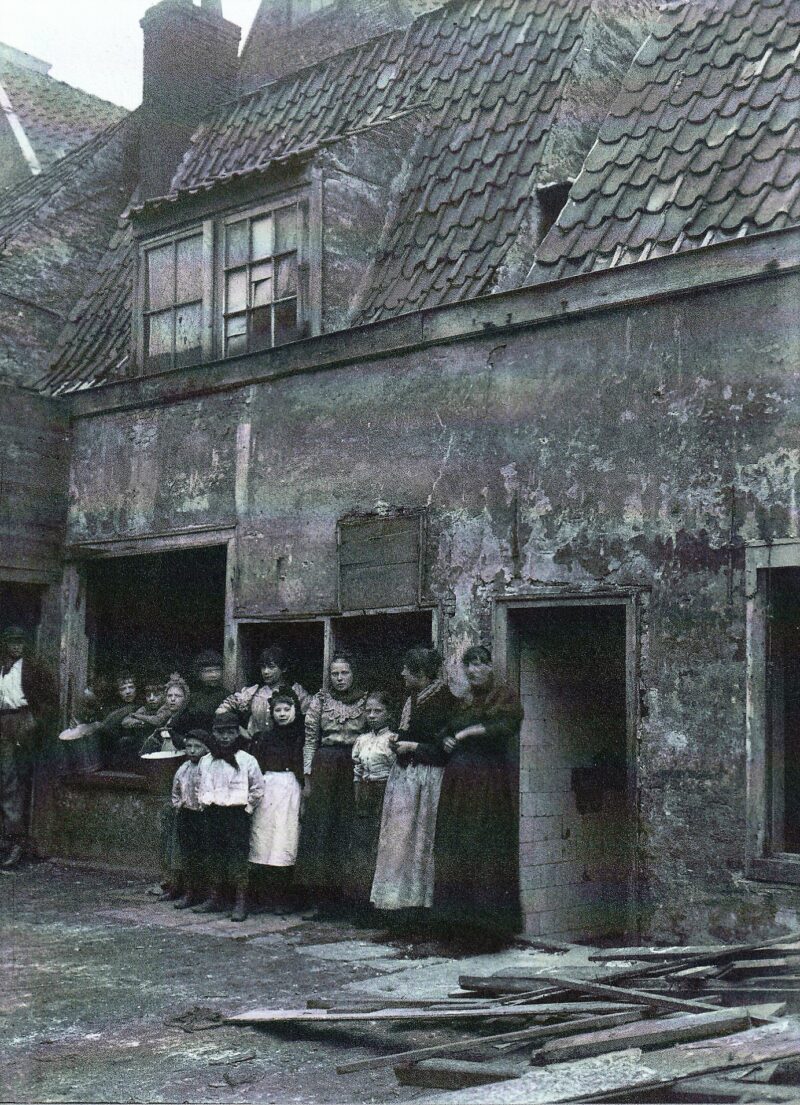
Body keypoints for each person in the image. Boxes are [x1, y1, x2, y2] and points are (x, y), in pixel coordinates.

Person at [433, 645, 523, 946]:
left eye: (480, 664)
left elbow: (506, 726)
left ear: (490, 667)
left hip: (487, 782)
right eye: (469, 665)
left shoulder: (504, 697)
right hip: (458, 782)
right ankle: (458, 927)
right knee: (456, 846)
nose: (474, 670)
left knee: (484, 849)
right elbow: (443, 729)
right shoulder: (463, 701)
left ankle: (489, 930)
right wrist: (446, 738)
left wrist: (466, 734)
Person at [370, 648, 458, 921]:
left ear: (421, 672)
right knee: (399, 843)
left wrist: (412, 746)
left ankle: (423, 913)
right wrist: (400, 741)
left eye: (408, 669)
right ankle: (401, 910)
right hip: (406, 779)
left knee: (422, 843)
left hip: (428, 780)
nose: (403, 673)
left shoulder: (446, 701)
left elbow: (446, 750)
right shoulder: (411, 699)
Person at [296, 652, 366, 914]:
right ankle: (320, 900)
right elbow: (310, 740)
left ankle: (348, 899)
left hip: (354, 765)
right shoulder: (320, 701)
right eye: (334, 674)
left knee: (348, 829)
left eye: (344, 673)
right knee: (320, 829)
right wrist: (308, 778)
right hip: (325, 766)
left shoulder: (366, 700)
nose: (339, 678)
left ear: (353, 673)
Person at [195, 711, 263, 922]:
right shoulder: (206, 760)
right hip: (213, 812)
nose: (225, 737)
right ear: (213, 733)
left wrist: (248, 809)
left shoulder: (247, 760)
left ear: (237, 734)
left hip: (236, 813)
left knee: (238, 857)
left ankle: (240, 902)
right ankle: (215, 898)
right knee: (213, 854)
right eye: (220, 733)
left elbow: (258, 788)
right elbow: (200, 783)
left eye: (230, 733)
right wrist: (203, 803)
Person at [0, 626, 57, 869]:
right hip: (2, 720)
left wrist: (35, 720)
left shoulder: (33, 667)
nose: (16, 646)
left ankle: (17, 842)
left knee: (15, 781)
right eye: (12, 642)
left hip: (24, 722)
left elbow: (50, 698)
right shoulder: (2, 667)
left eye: (20, 642)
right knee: (5, 779)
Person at [248, 689, 304, 913]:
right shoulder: (265, 737)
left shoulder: (300, 736)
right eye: (277, 710)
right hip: (268, 787)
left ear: (295, 711)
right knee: (263, 837)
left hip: (290, 787)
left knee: (285, 837)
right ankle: (263, 896)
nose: (282, 714)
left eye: (286, 710)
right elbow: (258, 766)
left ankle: (283, 897)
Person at [349, 690, 397, 916]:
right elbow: (357, 770)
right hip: (364, 795)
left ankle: (382, 906)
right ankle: (362, 904)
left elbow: (396, 772)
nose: (372, 715)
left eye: (378, 711)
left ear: (388, 713)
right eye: (368, 711)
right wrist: (359, 795)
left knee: (383, 845)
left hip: (385, 793)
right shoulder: (362, 740)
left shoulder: (392, 740)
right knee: (362, 846)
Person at [216, 646, 310, 741]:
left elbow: (311, 721)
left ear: (283, 668)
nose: (266, 671)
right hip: (255, 747)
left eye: (271, 667)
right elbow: (222, 710)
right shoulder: (253, 692)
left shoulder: (297, 692)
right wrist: (238, 729)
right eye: (263, 667)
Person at [171, 730, 211, 910]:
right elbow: (176, 791)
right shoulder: (184, 768)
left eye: (197, 747)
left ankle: (207, 894)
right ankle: (189, 893)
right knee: (188, 856)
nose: (193, 751)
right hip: (187, 815)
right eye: (189, 746)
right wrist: (179, 805)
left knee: (205, 855)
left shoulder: (209, 766)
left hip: (204, 816)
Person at [139, 674, 191, 755]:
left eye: (177, 696)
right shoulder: (166, 717)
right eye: (169, 696)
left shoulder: (188, 717)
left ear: (185, 698)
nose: (172, 699)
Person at [184, 651, 226, 731]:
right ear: (199, 674)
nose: (214, 675)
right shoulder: (192, 697)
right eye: (208, 671)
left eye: (217, 670)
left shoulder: (227, 696)